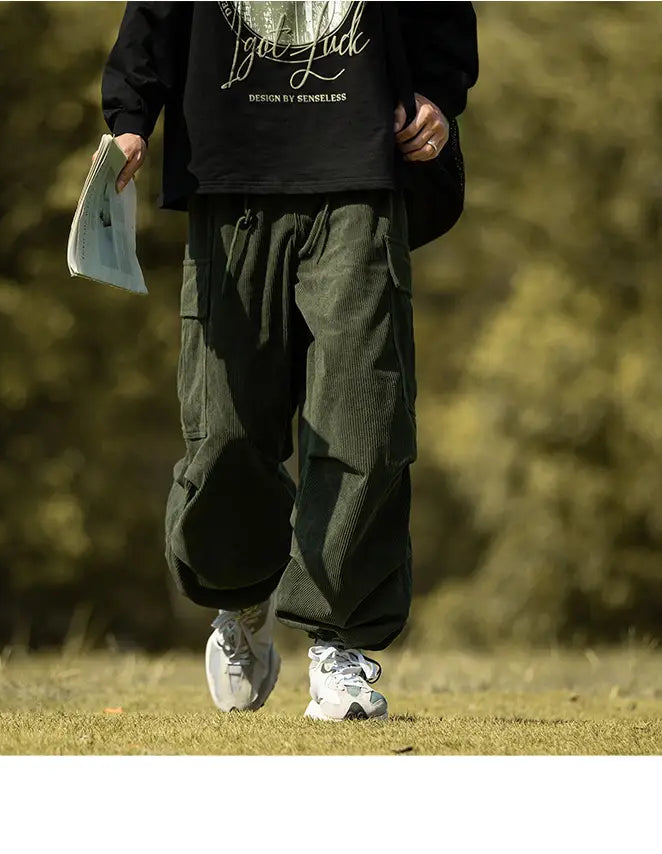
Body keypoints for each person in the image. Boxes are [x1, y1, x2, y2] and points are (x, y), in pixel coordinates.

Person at [101, 1, 478, 721]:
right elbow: (154, 12)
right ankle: (241, 595)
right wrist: (128, 118)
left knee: (363, 418)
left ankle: (340, 646)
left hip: (361, 170)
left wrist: (436, 94)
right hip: (228, 175)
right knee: (224, 430)